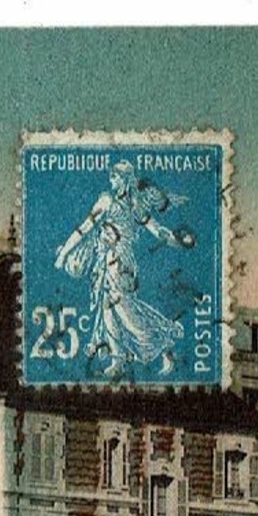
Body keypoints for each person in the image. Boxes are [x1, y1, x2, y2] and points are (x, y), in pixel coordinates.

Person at [53, 160, 191, 377]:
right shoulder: (106, 201)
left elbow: (157, 231)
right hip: (105, 260)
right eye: (111, 177)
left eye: (115, 177)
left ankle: (162, 344)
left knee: (125, 310)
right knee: (107, 307)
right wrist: (64, 254)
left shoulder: (136, 207)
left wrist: (177, 240)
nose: (111, 181)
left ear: (126, 180)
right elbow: (83, 229)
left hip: (122, 263)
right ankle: (119, 360)